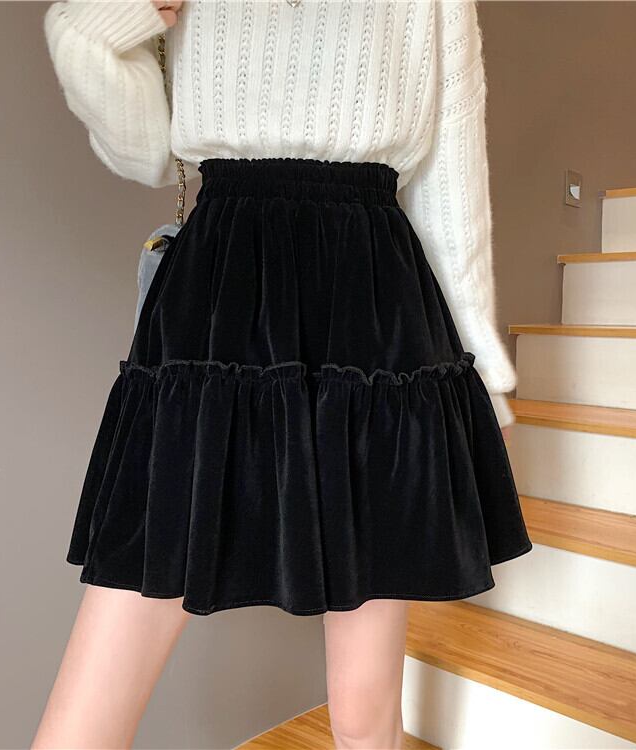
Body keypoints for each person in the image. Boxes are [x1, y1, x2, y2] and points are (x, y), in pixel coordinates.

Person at [33, 1, 533, 748]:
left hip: (372, 301)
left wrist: (482, 376)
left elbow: (449, 181)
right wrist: (99, 24)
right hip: (220, 293)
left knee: (364, 714)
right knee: (90, 710)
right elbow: (145, 154)